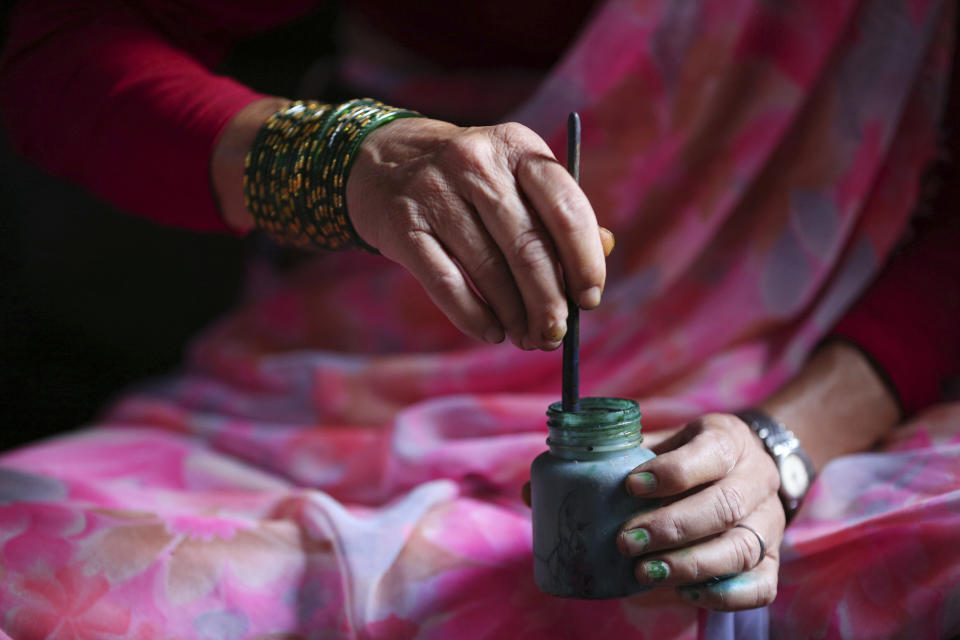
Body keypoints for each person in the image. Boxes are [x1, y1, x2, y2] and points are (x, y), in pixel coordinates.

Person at [0, 0, 958, 638]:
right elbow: (55, 44)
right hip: (358, 388)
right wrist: (342, 158)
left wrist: (784, 446)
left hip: (840, 394)